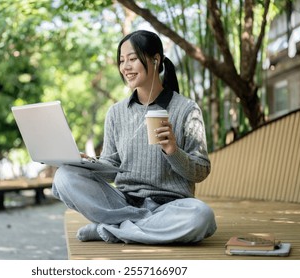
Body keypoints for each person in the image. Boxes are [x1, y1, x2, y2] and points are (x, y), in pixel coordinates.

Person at [52, 30, 217, 244]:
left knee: (201, 216)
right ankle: (130, 226)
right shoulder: (116, 112)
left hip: (170, 206)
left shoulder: (186, 109)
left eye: (132, 59)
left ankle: (111, 229)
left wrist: (173, 151)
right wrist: (87, 164)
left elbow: (201, 171)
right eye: (122, 61)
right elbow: (111, 167)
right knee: (64, 176)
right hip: (122, 203)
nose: (125, 67)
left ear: (156, 60)